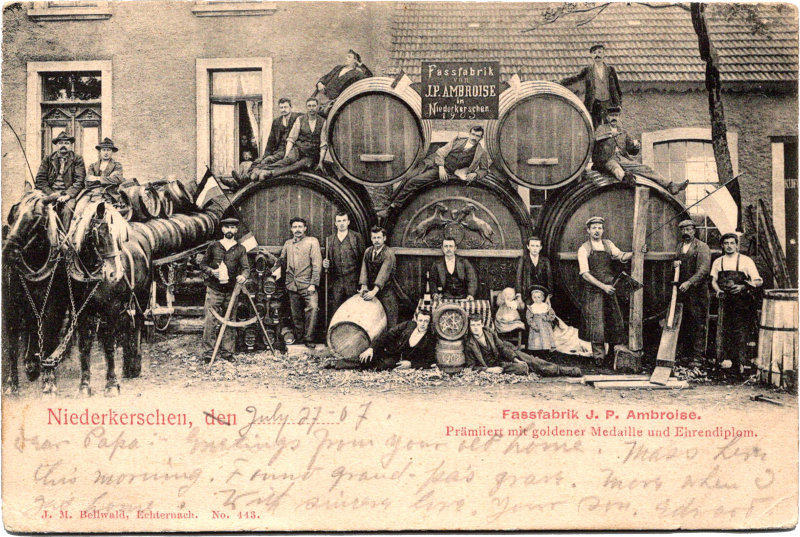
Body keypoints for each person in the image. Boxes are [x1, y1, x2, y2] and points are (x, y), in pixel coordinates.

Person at [377, 126, 489, 219]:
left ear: (481, 138)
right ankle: (390, 206)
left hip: (453, 174)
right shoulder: (457, 141)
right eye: (473, 134)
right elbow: (440, 153)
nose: (474, 138)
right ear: (470, 133)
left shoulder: (481, 153)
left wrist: (475, 174)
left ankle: (392, 208)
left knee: (414, 181)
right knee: (411, 178)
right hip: (439, 168)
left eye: (477, 136)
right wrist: (441, 167)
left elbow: (484, 170)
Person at [593, 107, 688, 195]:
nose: (614, 118)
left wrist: (636, 146)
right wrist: (610, 134)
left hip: (622, 159)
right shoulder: (602, 128)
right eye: (612, 116)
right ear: (607, 117)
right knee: (615, 168)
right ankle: (626, 178)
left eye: (616, 116)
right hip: (607, 159)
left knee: (645, 169)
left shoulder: (623, 132)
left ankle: (670, 185)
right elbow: (596, 139)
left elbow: (631, 150)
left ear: (619, 117)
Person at [577, 216, 633, 366]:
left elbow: (621, 256)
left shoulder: (608, 244)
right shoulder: (584, 249)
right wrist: (603, 286)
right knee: (596, 323)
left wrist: (635, 252)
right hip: (594, 290)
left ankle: (611, 354)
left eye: (600, 228)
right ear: (588, 230)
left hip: (609, 288)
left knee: (612, 320)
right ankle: (599, 356)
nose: (597, 231)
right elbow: (585, 274)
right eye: (594, 228)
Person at [199, 217, 251, 361]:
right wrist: (211, 271)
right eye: (227, 227)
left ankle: (228, 352)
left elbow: (246, 268)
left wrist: (243, 277)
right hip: (214, 290)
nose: (229, 230)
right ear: (222, 229)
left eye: (232, 228)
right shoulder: (214, 246)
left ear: (236, 230)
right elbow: (202, 265)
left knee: (229, 321)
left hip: (231, 291)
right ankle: (208, 353)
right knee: (210, 321)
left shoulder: (240, 248)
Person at [464, 314, 581, 377]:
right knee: (523, 367)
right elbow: (471, 366)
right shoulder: (469, 343)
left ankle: (562, 370)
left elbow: (502, 348)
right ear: (469, 326)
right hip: (497, 365)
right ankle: (534, 369)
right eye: (473, 325)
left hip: (504, 357)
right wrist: (489, 370)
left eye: (477, 324)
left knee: (530, 359)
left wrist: (515, 359)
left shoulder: (489, 333)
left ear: (481, 324)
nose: (475, 328)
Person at [710, 233, 763, 374]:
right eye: (726, 243)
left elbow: (758, 281)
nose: (729, 246)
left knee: (741, 331)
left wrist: (743, 287)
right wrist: (718, 290)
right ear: (722, 245)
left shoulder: (746, 261)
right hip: (724, 302)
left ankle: (741, 364)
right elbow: (713, 281)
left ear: (736, 245)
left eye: (732, 243)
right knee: (723, 331)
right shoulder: (718, 262)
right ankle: (724, 363)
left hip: (742, 303)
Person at [251, 98, 328, 181]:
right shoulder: (300, 119)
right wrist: (286, 155)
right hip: (298, 149)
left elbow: (323, 144)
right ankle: (258, 171)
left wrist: (321, 162)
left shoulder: (323, 122)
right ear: (306, 107)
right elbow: (291, 139)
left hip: (311, 154)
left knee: (299, 165)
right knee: (286, 161)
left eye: (313, 106)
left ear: (317, 107)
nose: (311, 108)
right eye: (309, 106)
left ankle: (270, 173)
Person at [334, 309, 436, 371]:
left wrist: (411, 364)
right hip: (390, 351)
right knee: (367, 358)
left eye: (426, 321)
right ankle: (337, 364)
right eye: (421, 320)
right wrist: (371, 348)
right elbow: (388, 335)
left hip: (398, 361)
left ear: (429, 322)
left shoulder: (430, 337)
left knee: (380, 366)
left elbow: (430, 361)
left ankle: (343, 364)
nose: (422, 324)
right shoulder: (408, 325)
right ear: (416, 320)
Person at [278, 217, 322, 349]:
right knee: (295, 314)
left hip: (308, 284)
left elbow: (317, 264)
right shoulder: (288, 243)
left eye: (300, 227)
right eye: (295, 227)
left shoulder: (312, 242)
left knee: (313, 308)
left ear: (305, 228)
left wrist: (313, 283)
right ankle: (299, 338)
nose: (297, 230)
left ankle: (309, 338)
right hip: (292, 285)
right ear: (291, 229)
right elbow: (281, 261)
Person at [237, 97, 303, 187]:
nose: (283, 110)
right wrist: (265, 154)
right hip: (278, 150)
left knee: (268, 160)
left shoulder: (298, 118)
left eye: (286, 107)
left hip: (289, 150)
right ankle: (242, 180)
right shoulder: (276, 122)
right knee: (257, 161)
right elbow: (271, 141)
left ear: (291, 107)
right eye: (281, 107)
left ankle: (245, 179)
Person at [673, 219, 711, 368]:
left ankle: (698, 357)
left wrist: (689, 282)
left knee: (698, 324)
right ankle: (686, 356)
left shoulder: (702, 247)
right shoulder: (679, 247)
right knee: (685, 324)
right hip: (683, 292)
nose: (686, 232)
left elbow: (703, 270)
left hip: (697, 292)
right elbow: (678, 266)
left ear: (694, 231)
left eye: (688, 229)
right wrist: (675, 264)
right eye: (683, 230)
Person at [560, 43, 622, 128]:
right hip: (594, 103)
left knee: (610, 127)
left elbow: (617, 89)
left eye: (600, 52)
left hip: (609, 103)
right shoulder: (587, 70)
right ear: (591, 56)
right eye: (594, 53)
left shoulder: (611, 70)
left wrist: (619, 104)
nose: (597, 55)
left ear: (604, 54)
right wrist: (561, 82)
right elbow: (575, 78)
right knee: (595, 127)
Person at [34, 131, 87, 224]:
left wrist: (68, 195)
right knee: (39, 209)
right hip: (50, 192)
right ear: (56, 145)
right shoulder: (48, 158)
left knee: (68, 209)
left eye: (66, 143)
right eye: (61, 143)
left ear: (71, 145)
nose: (63, 145)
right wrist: (52, 194)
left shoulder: (77, 159)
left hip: (67, 194)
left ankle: (65, 236)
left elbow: (80, 180)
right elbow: (40, 179)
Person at [323, 211, 365, 314]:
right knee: (336, 310)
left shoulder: (356, 237)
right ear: (335, 223)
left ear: (348, 222)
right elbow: (327, 260)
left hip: (353, 280)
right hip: (337, 281)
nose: (341, 223)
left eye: (344, 220)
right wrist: (325, 263)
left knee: (354, 309)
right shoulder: (330, 240)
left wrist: (362, 281)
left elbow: (364, 260)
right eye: (339, 221)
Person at [359, 226, 399, 329]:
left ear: (384, 238)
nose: (376, 240)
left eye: (379, 238)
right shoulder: (368, 251)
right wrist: (364, 285)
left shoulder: (388, 253)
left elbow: (383, 274)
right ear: (371, 239)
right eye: (374, 238)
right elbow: (364, 269)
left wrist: (373, 291)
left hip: (385, 291)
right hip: (371, 290)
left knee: (390, 318)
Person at [313, 49, 373, 117]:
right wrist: (320, 83)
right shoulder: (338, 67)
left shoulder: (357, 74)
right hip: (321, 95)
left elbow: (369, 77)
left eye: (349, 57)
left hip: (333, 102)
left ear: (355, 61)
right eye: (346, 56)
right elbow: (326, 76)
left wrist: (361, 65)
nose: (346, 58)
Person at [516, 236, 553, 303]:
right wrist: (519, 295)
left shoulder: (545, 260)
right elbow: (518, 278)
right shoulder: (523, 260)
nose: (535, 248)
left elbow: (549, 279)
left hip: (542, 295)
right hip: (527, 295)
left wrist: (548, 296)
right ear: (528, 246)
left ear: (540, 247)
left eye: (537, 246)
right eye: (532, 246)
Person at [526, 285, 557, 356]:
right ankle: (537, 353)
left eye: (538, 297)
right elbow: (529, 318)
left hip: (545, 326)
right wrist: (533, 325)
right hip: (536, 326)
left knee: (545, 339)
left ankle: (545, 353)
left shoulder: (546, 306)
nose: (536, 299)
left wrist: (547, 318)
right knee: (536, 340)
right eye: (534, 297)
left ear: (543, 298)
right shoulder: (531, 307)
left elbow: (552, 315)